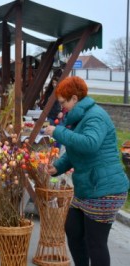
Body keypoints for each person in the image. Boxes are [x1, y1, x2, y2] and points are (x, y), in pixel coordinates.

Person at [44, 76, 129, 266]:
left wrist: (58, 132)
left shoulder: (95, 116)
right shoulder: (79, 118)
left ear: (75, 98)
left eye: (64, 102)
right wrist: (58, 166)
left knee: (95, 243)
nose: (62, 107)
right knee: (73, 230)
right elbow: (76, 151)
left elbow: (89, 144)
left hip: (105, 189)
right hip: (88, 187)